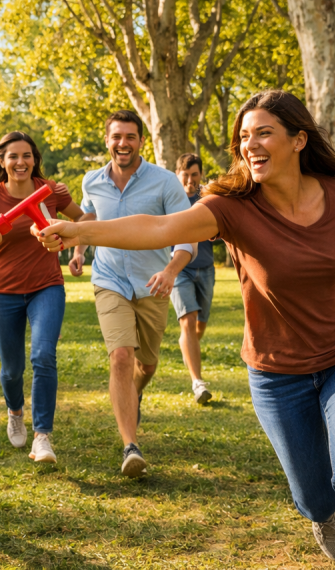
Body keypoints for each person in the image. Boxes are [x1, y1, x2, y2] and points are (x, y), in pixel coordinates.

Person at [38, 91, 335, 568]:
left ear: (298, 140)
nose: (251, 144)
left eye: (264, 132)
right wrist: (82, 232)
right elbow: (159, 228)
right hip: (276, 372)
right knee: (314, 493)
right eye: (244, 137)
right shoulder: (232, 207)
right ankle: (320, 513)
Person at [68, 110, 196, 478]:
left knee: (148, 364)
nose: (122, 143)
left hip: (152, 283)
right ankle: (130, 446)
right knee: (121, 356)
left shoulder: (165, 182)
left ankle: (134, 393)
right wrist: (78, 251)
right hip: (109, 280)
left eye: (130, 137)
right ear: (106, 140)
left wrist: (171, 271)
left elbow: (188, 234)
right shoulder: (92, 181)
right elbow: (88, 220)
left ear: (141, 141)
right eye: (116, 137)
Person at [0, 132, 87, 463]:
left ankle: (42, 437)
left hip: (47, 286)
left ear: (34, 159)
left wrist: (77, 248)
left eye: (27, 155)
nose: (21, 162)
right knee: (12, 370)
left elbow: (82, 219)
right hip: (3, 291)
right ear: (2, 160)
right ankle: (15, 411)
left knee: (43, 356)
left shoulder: (51, 191)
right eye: (13, 156)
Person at [172, 153, 216, 404]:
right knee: (187, 322)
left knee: (199, 326)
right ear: (178, 174)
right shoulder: (171, 199)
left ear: (200, 175)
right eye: (185, 175)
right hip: (180, 269)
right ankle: (198, 383)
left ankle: (188, 349)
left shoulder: (208, 197)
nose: (189, 180)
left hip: (207, 269)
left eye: (194, 175)